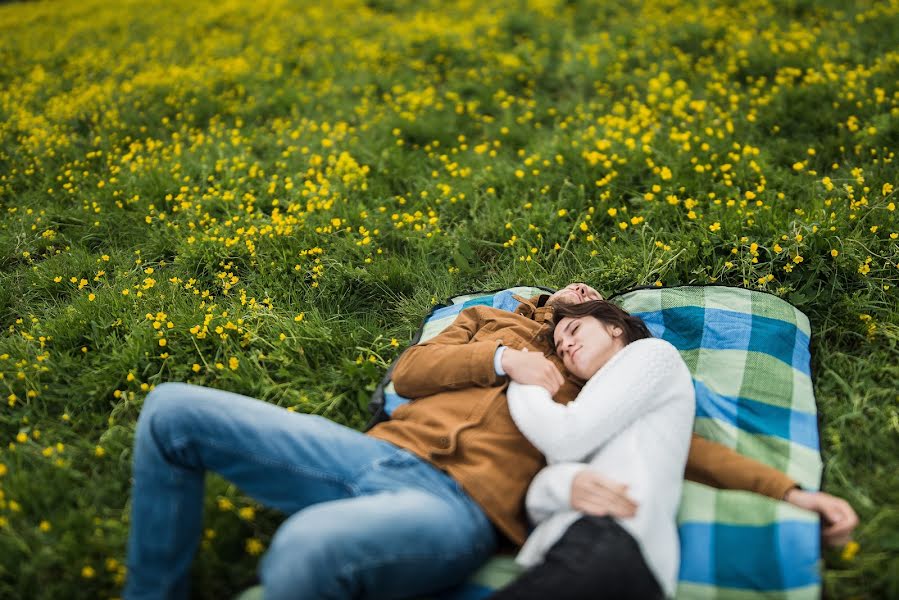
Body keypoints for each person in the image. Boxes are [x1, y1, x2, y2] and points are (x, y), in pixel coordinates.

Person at [123, 283, 858, 599]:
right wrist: (508, 359)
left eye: (589, 316)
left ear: (618, 327)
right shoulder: (489, 323)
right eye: (564, 316)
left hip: (458, 510)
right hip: (371, 450)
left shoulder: (611, 382)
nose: (571, 327)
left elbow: (685, 449)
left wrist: (788, 490)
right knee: (170, 408)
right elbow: (408, 374)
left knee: (308, 548)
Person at [491, 299, 692, 599]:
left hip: (618, 540)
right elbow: (538, 498)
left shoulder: (653, 354)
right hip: (578, 544)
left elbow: (564, 436)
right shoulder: (591, 404)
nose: (566, 346)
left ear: (614, 327)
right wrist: (566, 483)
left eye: (574, 330)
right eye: (559, 348)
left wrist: (524, 379)